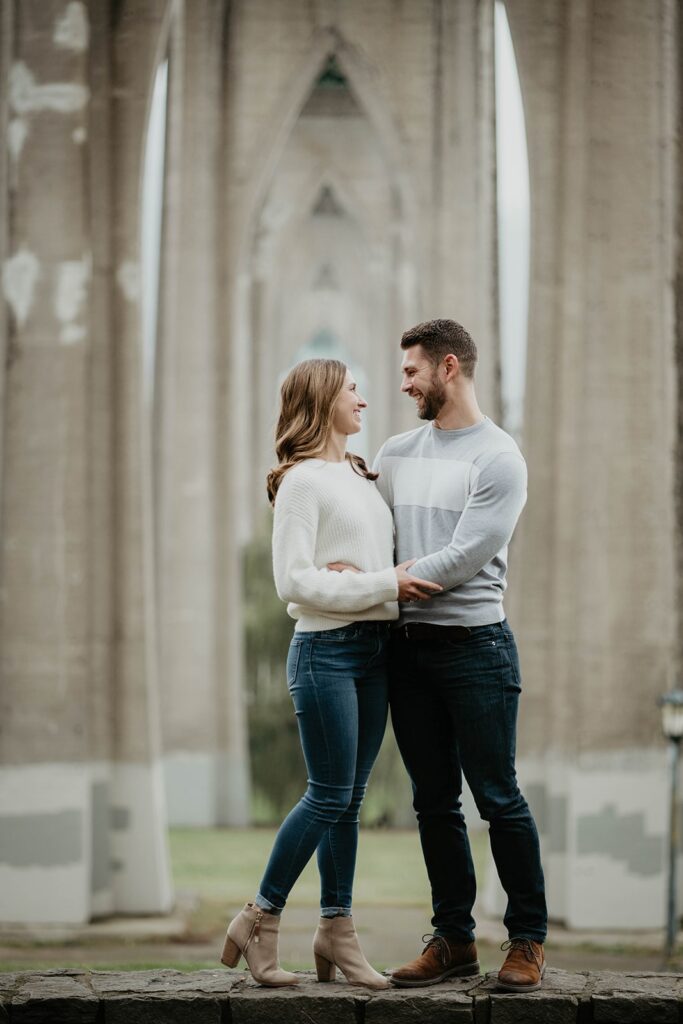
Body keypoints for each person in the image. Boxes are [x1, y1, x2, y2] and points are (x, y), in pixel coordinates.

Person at [220, 358, 441, 988]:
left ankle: (335, 932)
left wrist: (373, 583)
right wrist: (379, 583)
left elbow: (371, 569)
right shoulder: (301, 484)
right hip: (325, 653)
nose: (364, 401)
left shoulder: (357, 475)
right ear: (322, 401)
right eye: (353, 390)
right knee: (328, 794)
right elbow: (292, 580)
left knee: (349, 802)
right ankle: (258, 918)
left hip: (374, 652)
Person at [373, 319, 548, 992]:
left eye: (412, 370)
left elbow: (462, 558)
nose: (403, 382)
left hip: (477, 650)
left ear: (448, 368)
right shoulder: (393, 452)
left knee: (498, 799)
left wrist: (384, 579)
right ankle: (453, 940)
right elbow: (369, 534)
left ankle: (526, 941)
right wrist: (356, 567)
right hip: (407, 653)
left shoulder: (498, 457)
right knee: (432, 804)